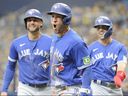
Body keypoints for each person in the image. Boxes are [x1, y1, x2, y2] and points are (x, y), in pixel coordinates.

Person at [1, 9, 52, 96]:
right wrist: (4, 90)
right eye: (29, 20)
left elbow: (57, 65)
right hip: (25, 88)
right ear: (26, 23)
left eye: (35, 20)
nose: (32, 22)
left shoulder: (51, 42)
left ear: (41, 23)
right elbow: (10, 67)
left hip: (46, 89)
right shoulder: (16, 43)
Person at [47, 3, 92, 96]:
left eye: (58, 17)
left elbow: (87, 67)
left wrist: (86, 89)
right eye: (52, 16)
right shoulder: (54, 38)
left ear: (66, 20)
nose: (54, 20)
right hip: (55, 89)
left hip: (70, 89)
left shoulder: (76, 42)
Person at [89, 16, 127, 96]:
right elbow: (85, 68)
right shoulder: (90, 48)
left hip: (115, 88)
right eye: (98, 27)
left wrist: (119, 75)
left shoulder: (119, 47)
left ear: (110, 29)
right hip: (97, 87)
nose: (100, 29)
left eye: (104, 27)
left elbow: (122, 64)